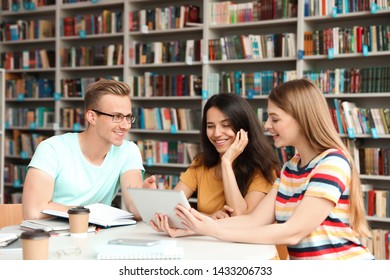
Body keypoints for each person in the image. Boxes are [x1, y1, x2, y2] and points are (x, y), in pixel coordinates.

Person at [155, 79, 374, 260]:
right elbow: (252, 220)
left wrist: (215, 230)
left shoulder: (332, 162)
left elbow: (293, 232)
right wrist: (193, 227)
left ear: (302, 119)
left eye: (275, 119)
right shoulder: (291, 168)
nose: (267, 126)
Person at [22, 79, 156, 220]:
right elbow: (33, 212)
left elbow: (134, 209)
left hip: (96, 236)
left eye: (128, 117)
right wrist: (86, 213)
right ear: (92, 117)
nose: (125, 125)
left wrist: (144, 200)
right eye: (117, 117)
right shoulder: (51, 149)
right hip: (52, 237)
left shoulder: (129, 151)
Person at [151, 92, 280, 223]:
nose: (216, 133)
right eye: (210, 126)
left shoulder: (263, 169)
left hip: (242, 243)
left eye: (226, 125)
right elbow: (171, 208)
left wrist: (226, 162)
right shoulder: (200, 163)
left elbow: (240, 218)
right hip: (205, 240)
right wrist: (209, 218)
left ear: (244, 128)